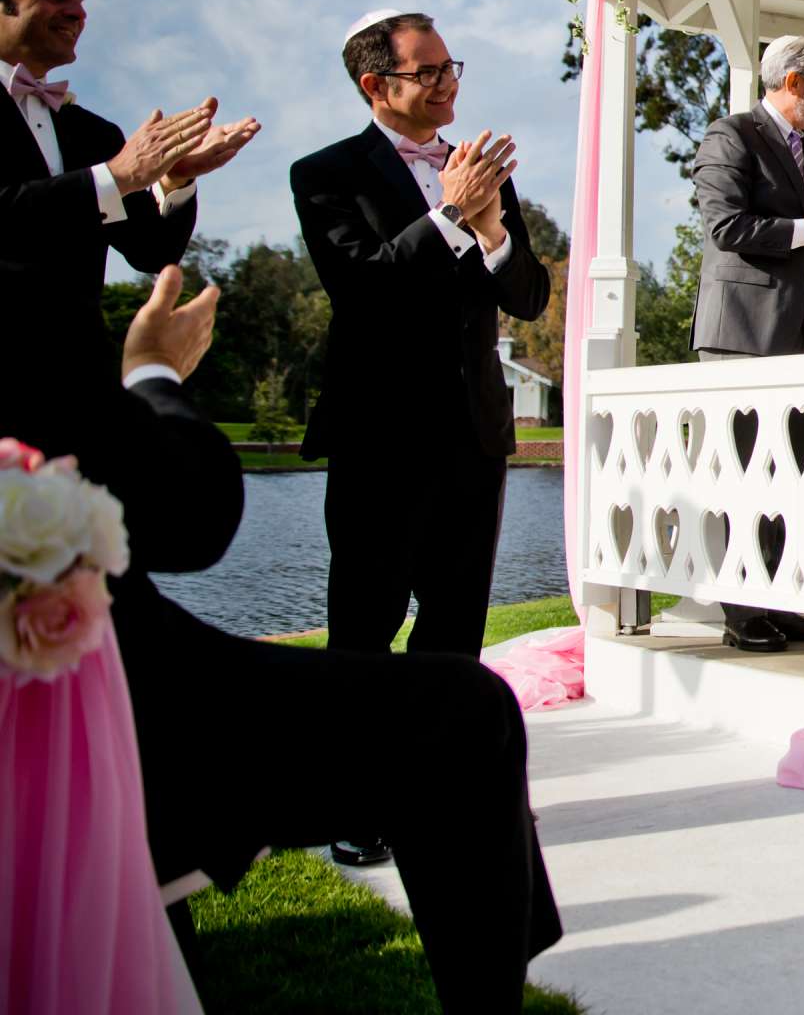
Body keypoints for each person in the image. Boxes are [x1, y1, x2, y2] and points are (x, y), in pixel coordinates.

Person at [18, 264, 565, 1010]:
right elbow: (190, 516)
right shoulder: (23, 310)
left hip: (100, 684)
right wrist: (152, 371)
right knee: (467, 710)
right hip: (127, 714)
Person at [291, 10, 549, 869]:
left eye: (451, 67)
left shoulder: (478, 173)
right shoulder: (325, 173)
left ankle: (438, 795)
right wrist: (448, 215)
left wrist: (491, 228)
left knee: (454, 628)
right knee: (363, 629)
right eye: (428, 71)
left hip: (474, 432)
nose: (449, 83)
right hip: (381, 436)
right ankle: (353, 804)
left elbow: (528, 299)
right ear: (377, 86)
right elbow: (364, 289)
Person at [0, 0, 257, 454]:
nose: (77, 11)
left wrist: (176, 179)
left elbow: (150, 251)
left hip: (78, 398)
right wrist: (114, 177)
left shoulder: (92, 131)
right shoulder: (109, 159)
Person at [689, 35, 804, 652]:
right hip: (743, 335)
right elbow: (726, 226)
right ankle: (742, 612)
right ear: (793, 82)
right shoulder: (731, 136)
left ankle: (782, 599)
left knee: (793, 475)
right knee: (746, 475)